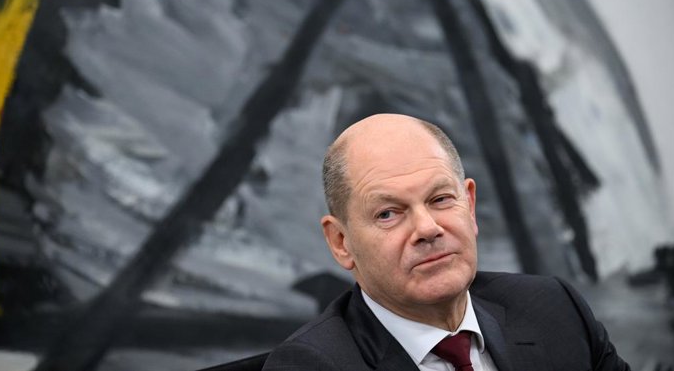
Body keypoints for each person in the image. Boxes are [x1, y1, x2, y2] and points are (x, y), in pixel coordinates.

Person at [263, 113, 630, 371]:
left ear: (469, 206)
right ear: (341, 241)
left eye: (440, 200)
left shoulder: (555, 310)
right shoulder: (310, 365)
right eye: (388, 213)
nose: (428, 228)